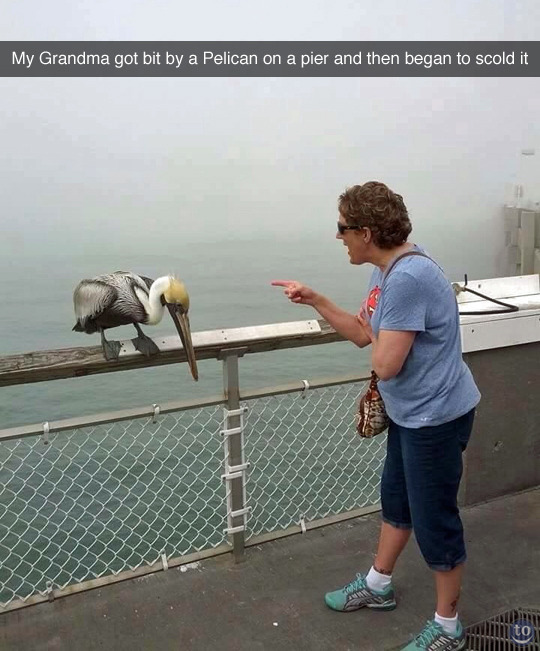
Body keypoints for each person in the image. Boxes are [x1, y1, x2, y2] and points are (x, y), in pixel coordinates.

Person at [272, 181, 481, 651]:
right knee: (398, 502)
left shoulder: (407, 278)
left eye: (342, 228)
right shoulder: (388, 270)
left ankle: (448, 629)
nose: (338, 236)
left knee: (435, 521)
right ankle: (378, 585)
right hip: (412, 414)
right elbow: (366, 336)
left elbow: (386, 363)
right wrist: (317, 300)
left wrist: (382, 344)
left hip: (435, 418)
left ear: (366, 232)